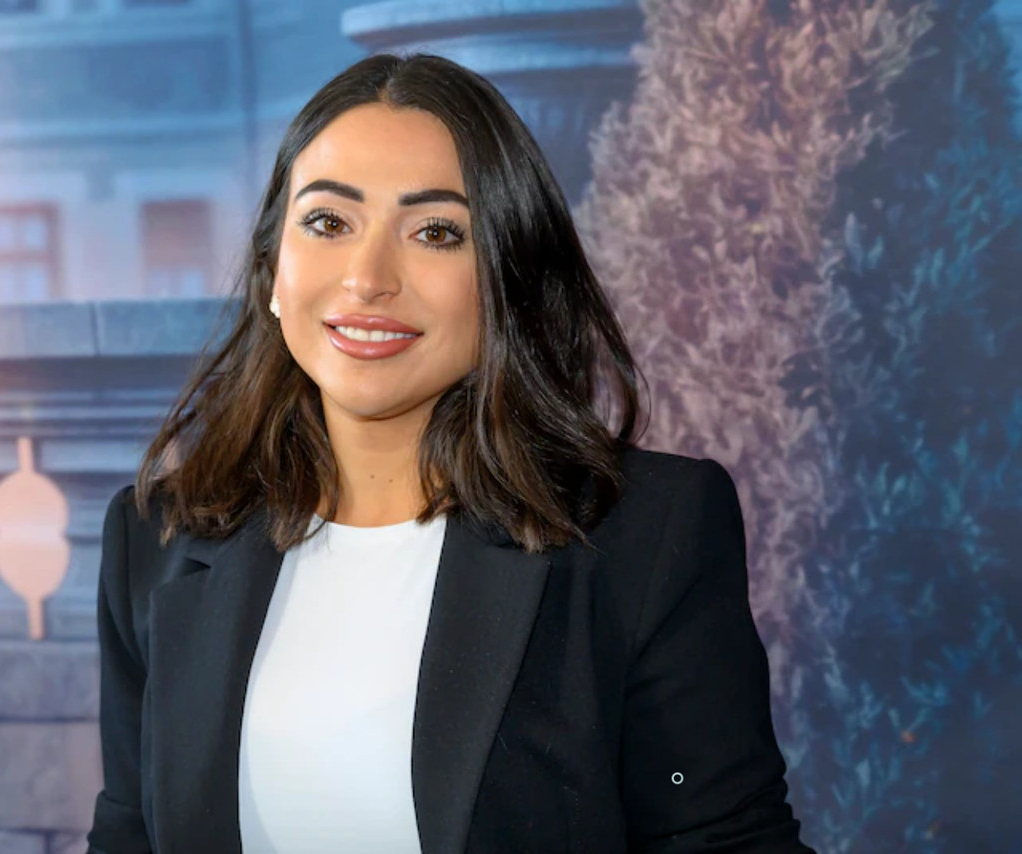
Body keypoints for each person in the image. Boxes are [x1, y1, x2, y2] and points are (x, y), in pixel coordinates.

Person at [86, 52, 813, 854]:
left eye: (435, 232)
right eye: (328, 223)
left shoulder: (643, 536)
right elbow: (128, 836)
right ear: (271, 271)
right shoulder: (155, 539)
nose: (367, 279)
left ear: (507, 278)